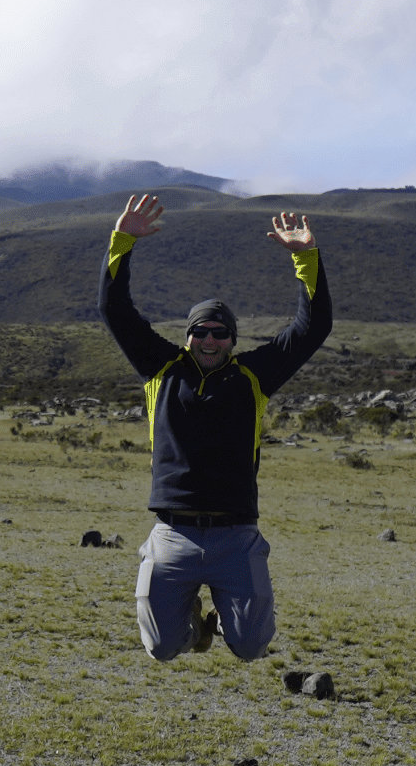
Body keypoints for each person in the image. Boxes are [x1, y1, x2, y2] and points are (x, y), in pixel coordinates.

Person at [98, 193, 331, 663]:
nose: (209, 340)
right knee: (162, 649)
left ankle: (227, 618)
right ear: (187, 335)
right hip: (173, 532)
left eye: (219, 333)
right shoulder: (161, 368)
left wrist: (305, 258)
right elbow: (114, 310)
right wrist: (122, 241)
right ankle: (193, 628)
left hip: (235, 533)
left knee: (249, 646)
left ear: (232, 340)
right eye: (200, 331)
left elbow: (313, 327)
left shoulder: (253, 377)